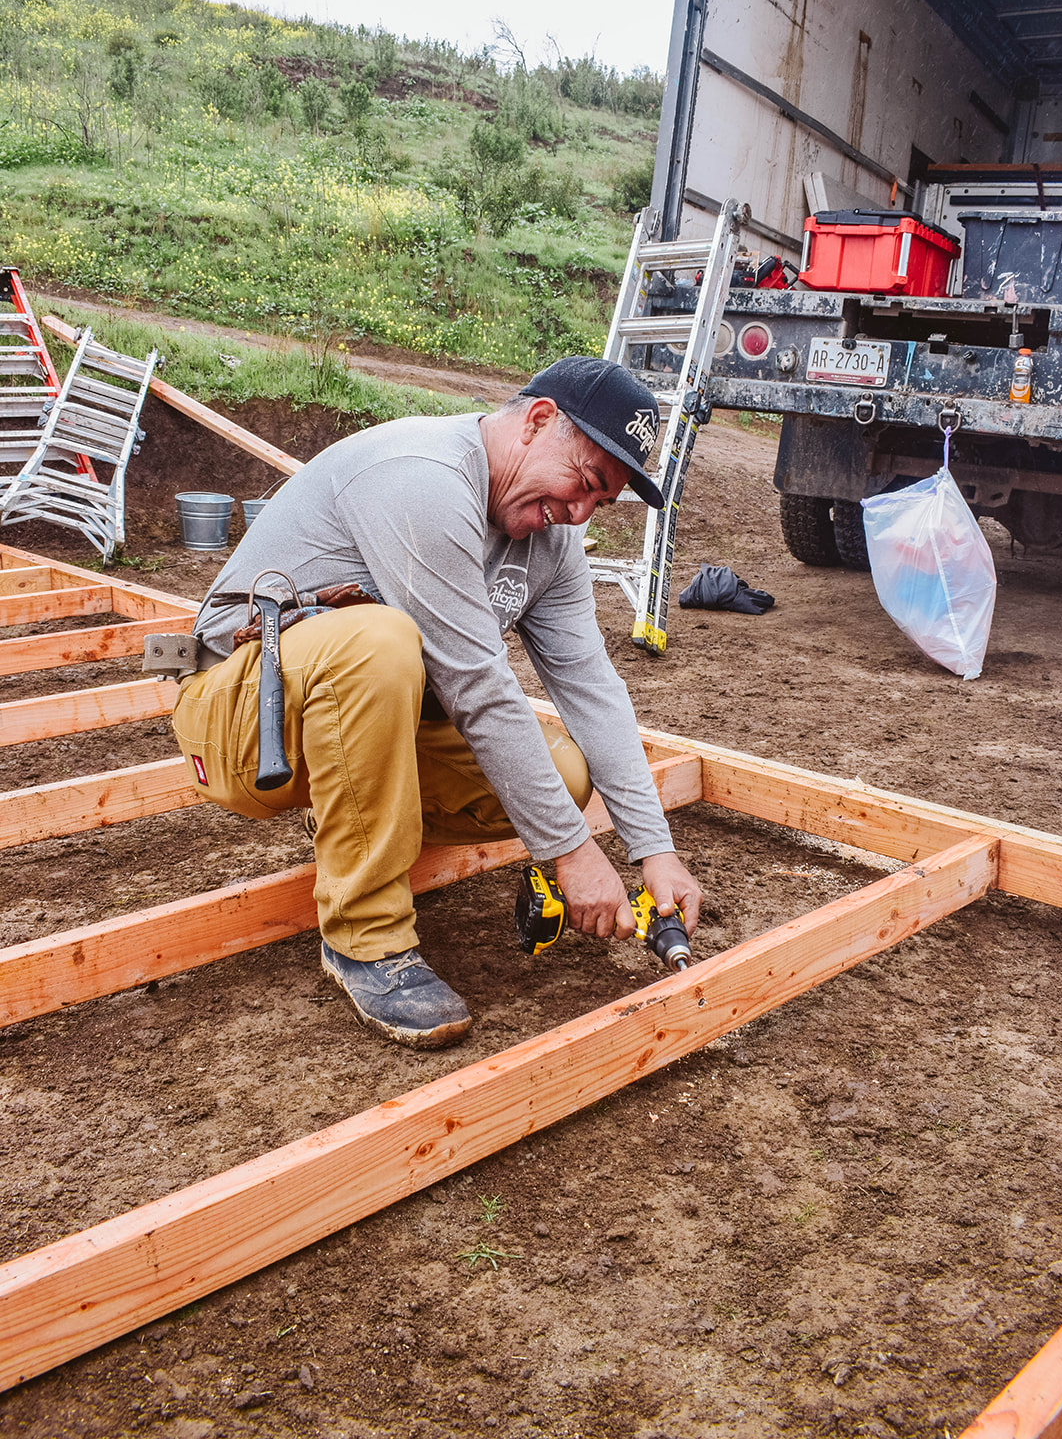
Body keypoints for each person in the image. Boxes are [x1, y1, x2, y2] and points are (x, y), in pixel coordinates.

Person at [172, 356, 703, 1049]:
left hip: (338, 726)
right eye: (585, 482)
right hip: (239, 721)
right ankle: (365, 938)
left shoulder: (553, 543)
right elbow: (479, 686)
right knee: (377, 640)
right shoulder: (421, 476)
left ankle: (348, 822)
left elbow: (592, 690)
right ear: (537, 421)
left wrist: (653, 850)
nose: (578, 513)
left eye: (599, 503)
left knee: (565, 775)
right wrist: (572, 855)